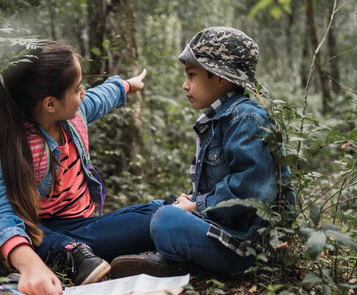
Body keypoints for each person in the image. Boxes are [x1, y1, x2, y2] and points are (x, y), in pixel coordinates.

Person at [0, 41, 162, 295]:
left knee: (160, 215)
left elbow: (102, 97)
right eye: (77, 89)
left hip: (82, 228)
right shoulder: (14, 140)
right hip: (30, 227)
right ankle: (65, 251)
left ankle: (67, 249)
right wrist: (29, 266)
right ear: (50, 104)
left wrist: (127, 85)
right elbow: (2, 207)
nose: (84, 93)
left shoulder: (75, 115)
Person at [110, 26, 293, 277]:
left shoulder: (246, 117)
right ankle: (171, 257)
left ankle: (178, 261)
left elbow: (250, 190)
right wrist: (190, 201)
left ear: (220, 77)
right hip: (223, 230)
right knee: (160, 210)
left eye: (191, 75)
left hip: (244, 247)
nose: (185, 85)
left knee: (167, 221)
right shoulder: (221, 118)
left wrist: (196, 206)